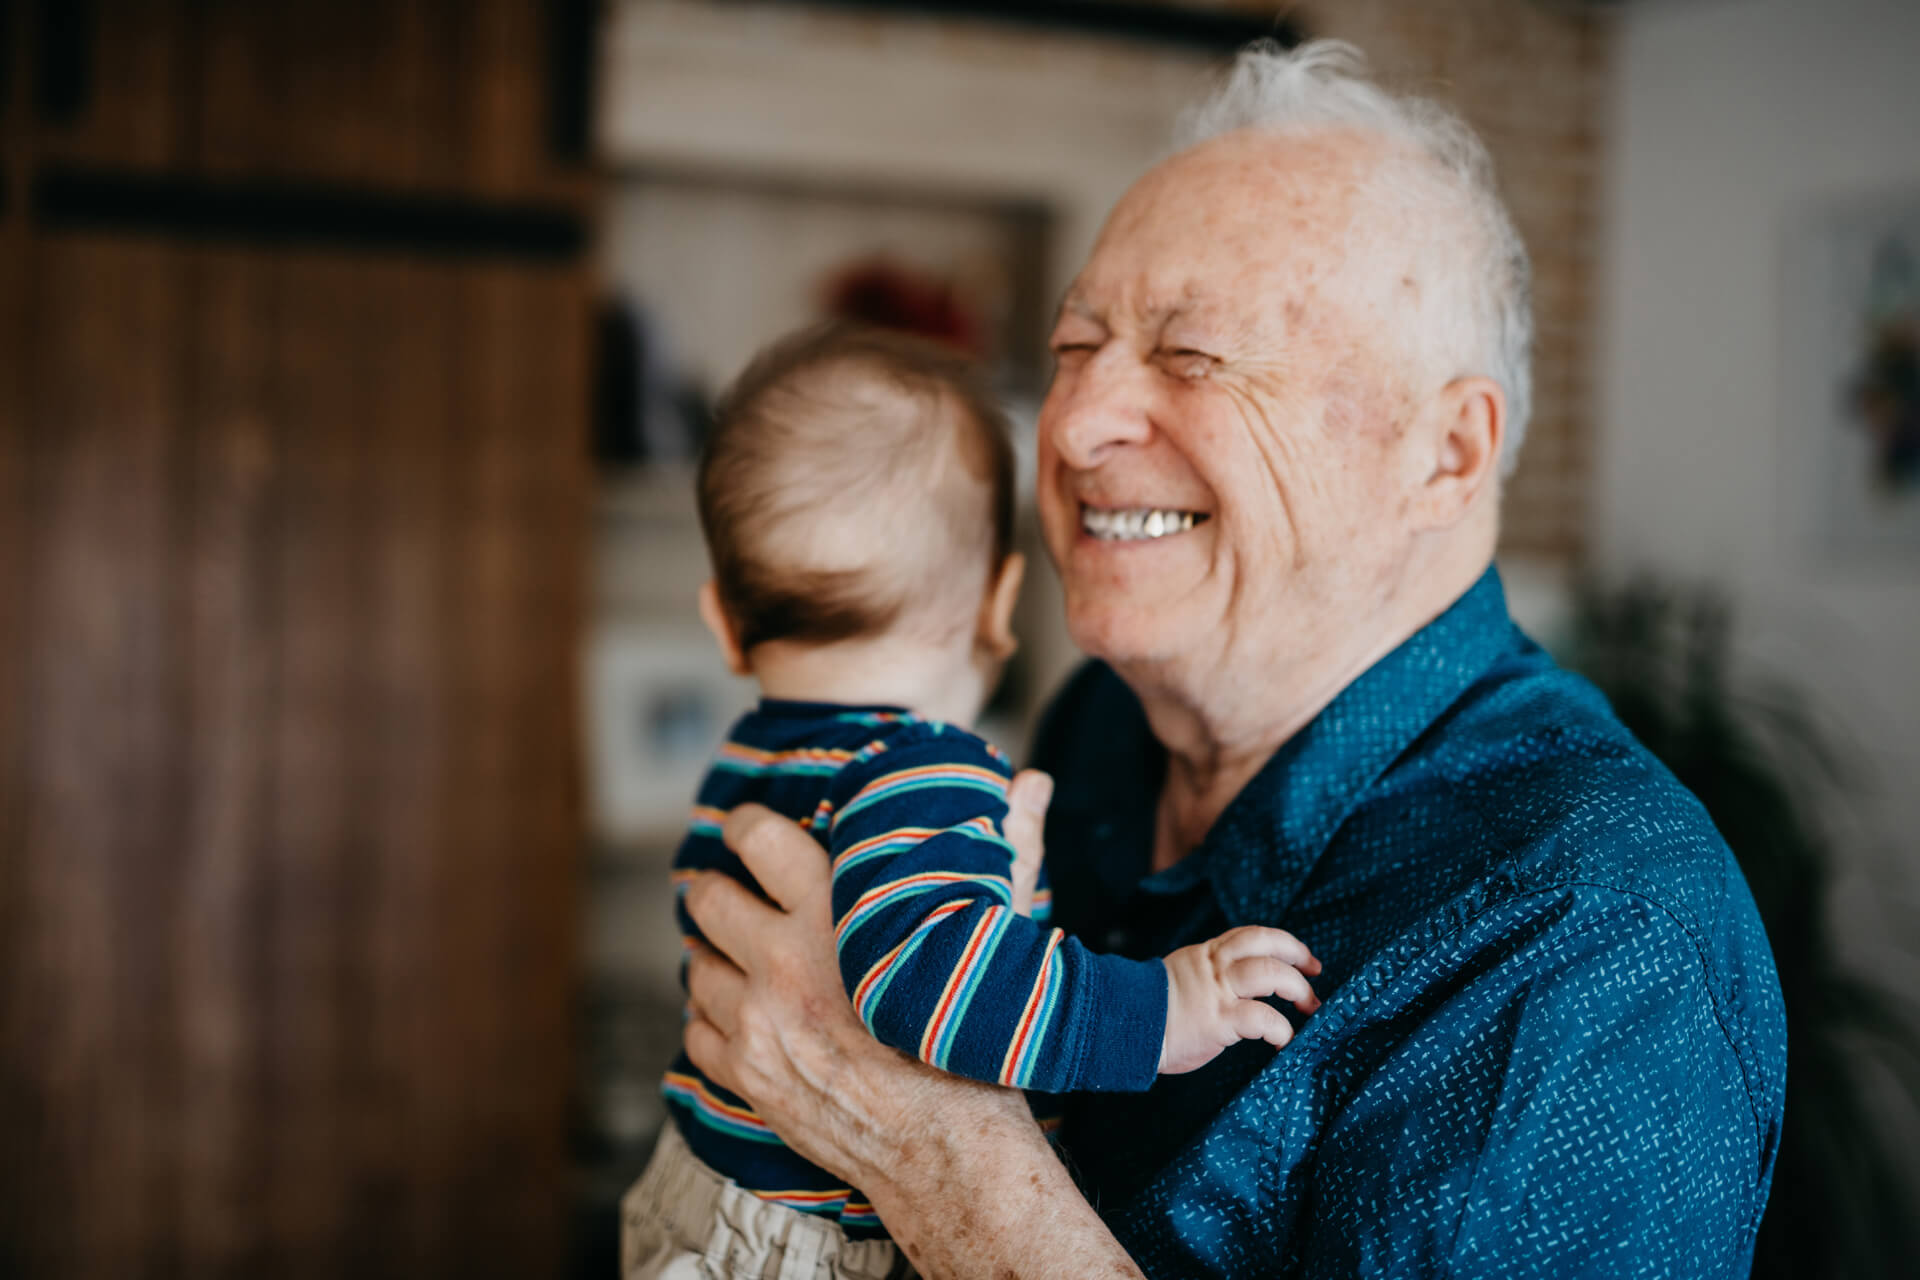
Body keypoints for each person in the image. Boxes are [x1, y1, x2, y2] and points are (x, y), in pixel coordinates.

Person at [674, 40, 1788, 1280]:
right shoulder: (1101, 723)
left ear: (1448, 454)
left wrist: (931, 1148)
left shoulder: (1593, 934)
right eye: (1072, 348)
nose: (1077, 423)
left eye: (1192, 356)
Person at [625, 324, 1322, 1280]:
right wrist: (1161, 1009)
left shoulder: (751, 758)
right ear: (1000, 605)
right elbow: (922, 980)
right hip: (813, 1245)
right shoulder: (924, 767)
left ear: (725, 625)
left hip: (699, 1194)